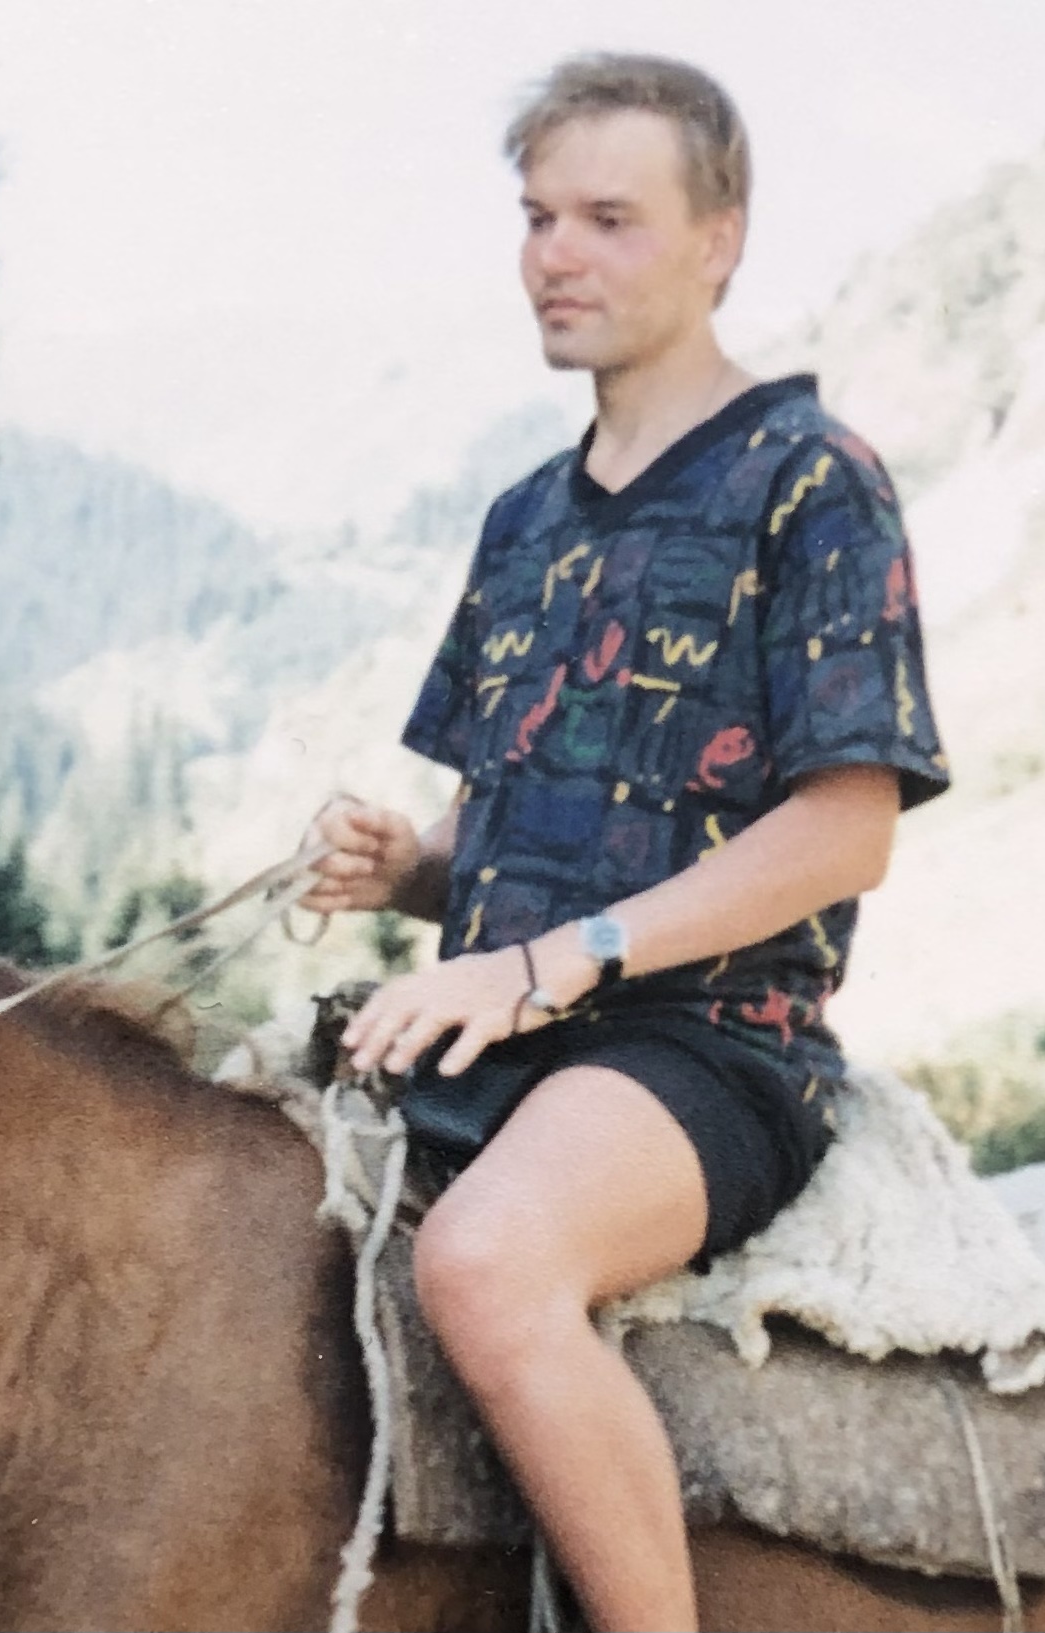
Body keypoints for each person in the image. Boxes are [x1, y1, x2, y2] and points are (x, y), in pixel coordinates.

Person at [301, 54, 949, 1631]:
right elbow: (503, 830)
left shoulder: (811, 480)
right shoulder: (522, 519)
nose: (555, 255)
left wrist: (547, 963)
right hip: (506, 1031)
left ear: (719, 238)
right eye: (537, 218)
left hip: (708, 1048)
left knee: (484, 1262)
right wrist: (405, 868)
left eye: (607, 218)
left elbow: (845, 830)